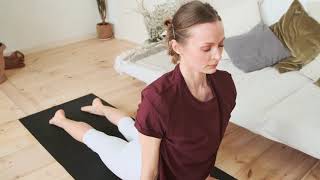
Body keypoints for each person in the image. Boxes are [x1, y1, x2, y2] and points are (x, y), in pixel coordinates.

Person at [49, 1, 237, 180]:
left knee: (129, 125)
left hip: (162, 145)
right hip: (136, 164)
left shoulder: (225, 86)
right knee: (97, 139)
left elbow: (203, 147)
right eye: (206, 48)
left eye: (220, 44)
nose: (218, 55)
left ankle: (101, 108)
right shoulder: (158, 99)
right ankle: (61, 120)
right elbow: (149, 173)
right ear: (177, 47)